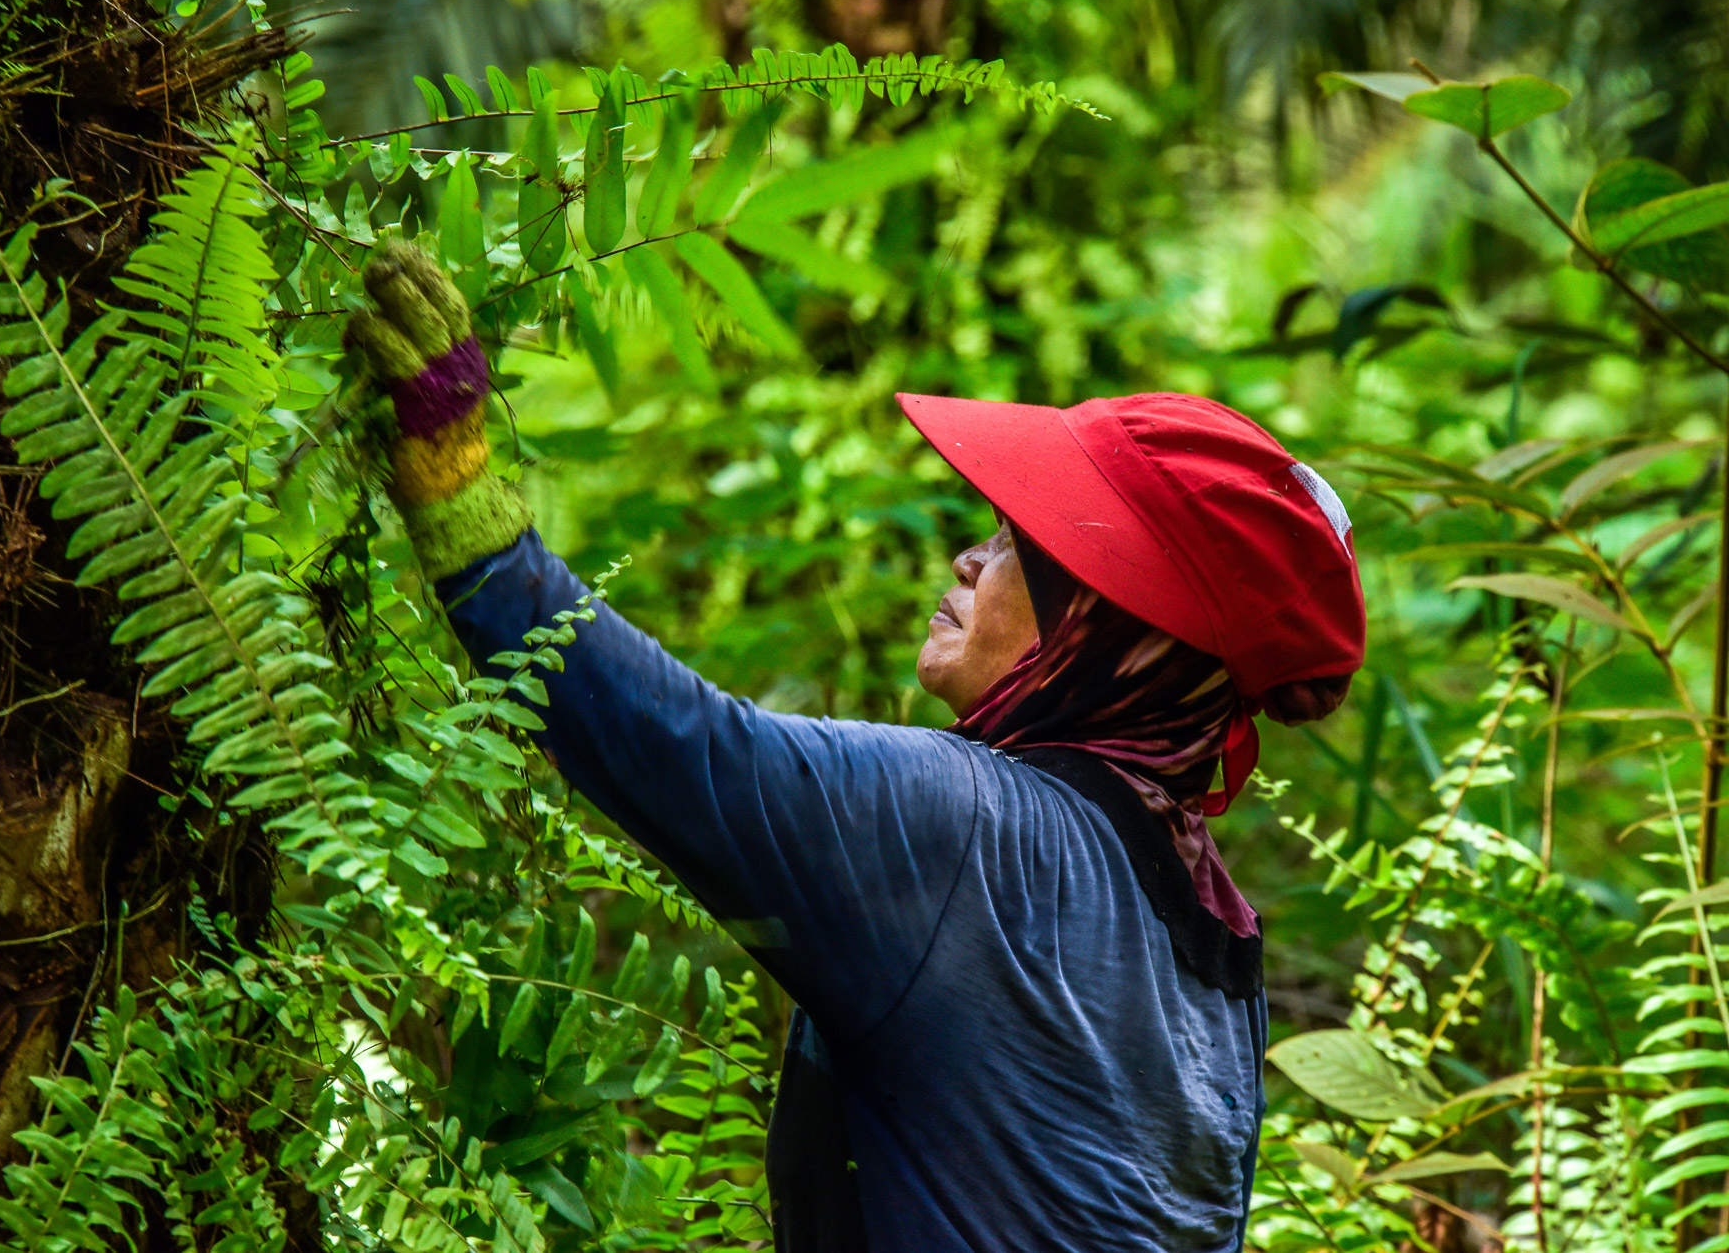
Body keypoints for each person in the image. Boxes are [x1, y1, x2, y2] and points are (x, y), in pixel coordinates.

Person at [348, 242, 1366, 1253]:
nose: (970, 554)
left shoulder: (974, 835)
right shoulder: (1213, 925)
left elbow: (683, 748)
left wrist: (465, 501)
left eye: (1024, 542)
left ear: (1115, 626)